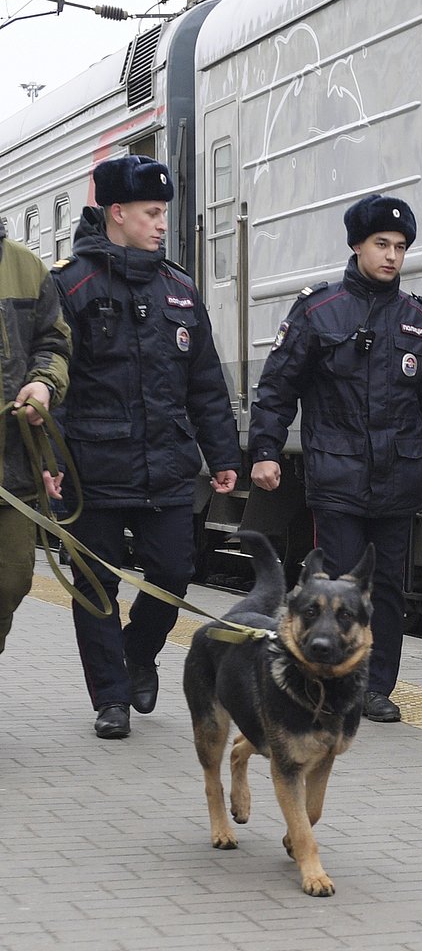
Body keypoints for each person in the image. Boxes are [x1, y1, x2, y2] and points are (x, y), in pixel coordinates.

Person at [249, 193, 422, 723]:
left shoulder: (420, 323)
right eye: (381, 244)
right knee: (336, 585)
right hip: (337, 478)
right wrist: (266, 452)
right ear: (357, 246)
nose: (391, 256)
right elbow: (277, 390)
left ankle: (373, 686)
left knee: (387, 587)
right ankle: (326, 681)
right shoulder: (318, 312)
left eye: (400, 247)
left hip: (399, 480)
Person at [51, 155, 240, 739]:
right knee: (94, 586)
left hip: (165, 466)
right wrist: (52, 461)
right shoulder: (70, 284)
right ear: (117, 213)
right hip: (92, 467)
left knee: (174, 574)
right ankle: (110, 698)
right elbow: (53, 377)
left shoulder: (179, 290)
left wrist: (225, 455)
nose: (162, 224)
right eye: (153, 213)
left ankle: (138, 656)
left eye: (164, 213)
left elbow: (206, 383)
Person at [0, 221, 71, 655]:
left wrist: (44, 383)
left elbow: (54, 344)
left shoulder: (26, 266)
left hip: (13, 465)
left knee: (13, 578)